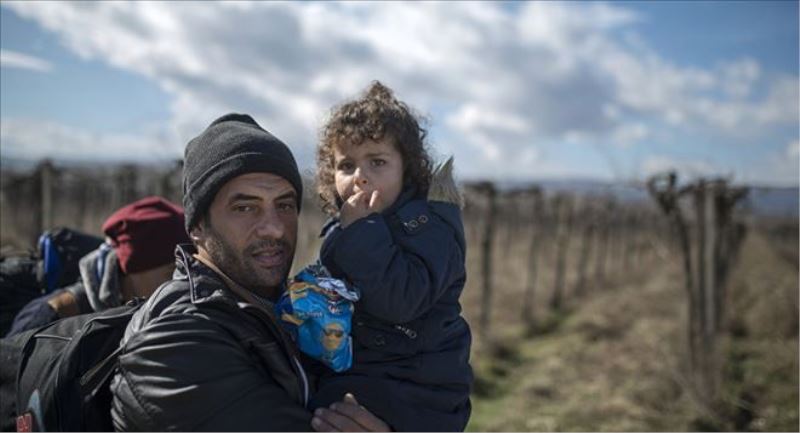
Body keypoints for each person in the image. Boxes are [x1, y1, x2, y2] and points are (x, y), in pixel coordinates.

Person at [109, 113, 389, 431]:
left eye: (284, 205)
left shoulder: (292, 308)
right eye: (245, 208)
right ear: (197, 226)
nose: (274, 228)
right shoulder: (174, 342)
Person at [309, 81, 473, 431]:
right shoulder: (344, 229)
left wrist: (361, 231)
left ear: (406, 169)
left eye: (377, 162)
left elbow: (401, 300)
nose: (360, 178)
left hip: (417, 390)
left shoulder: (429, 228)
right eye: (346, 165)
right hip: (365, 372)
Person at [6, 196, 188, 337]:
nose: (182, 282)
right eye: (172, 272)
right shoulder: (50, 316)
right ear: (132, 267)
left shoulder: (151, 314)